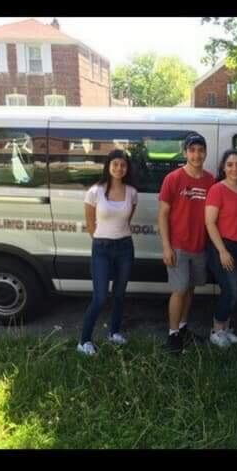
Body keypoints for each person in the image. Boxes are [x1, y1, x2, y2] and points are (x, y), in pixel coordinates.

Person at [158, 134, 215, 353]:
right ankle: (172, 336)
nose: (196, 155)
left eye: (200, 150)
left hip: (199, 246)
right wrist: (166, 246)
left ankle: (183, 328)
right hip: (178, 246)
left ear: (205, 153)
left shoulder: (210, 181)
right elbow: (162, 214)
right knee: (179, 290)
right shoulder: (173, 178)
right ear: (185, 153)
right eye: (192, 150)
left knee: (190, 289)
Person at [77, 150, 138, 356]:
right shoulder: (95, 192)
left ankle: (114, 332)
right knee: (100, 297)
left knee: (119, 294)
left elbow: (126, 220)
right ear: (108, 166)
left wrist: (117, 237)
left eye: (123, 165)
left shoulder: (132, 192)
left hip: (125, 247)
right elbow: (90, 224)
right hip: (101, 248)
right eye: (115, 164)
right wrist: (102, 240)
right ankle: (84, 341)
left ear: (127, 168)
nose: (119, 168)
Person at [205, 150, 237, 348]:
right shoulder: (217, 190)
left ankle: (225, 329)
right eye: (230, 164)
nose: (235, 168)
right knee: (232, 291)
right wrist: (223, 251)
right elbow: (210, 223)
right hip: (222, 247)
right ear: (223, 168)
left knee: (232, 290)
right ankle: (216, 331)